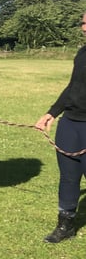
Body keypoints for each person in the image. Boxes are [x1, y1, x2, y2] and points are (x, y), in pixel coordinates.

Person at [35, 12, 86, 243]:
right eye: (83, 23)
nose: (84, 28)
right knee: (68, 177)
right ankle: (65, 226)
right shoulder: (82, 53)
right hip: (70, 123)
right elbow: (72, 87)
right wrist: (52, 113)